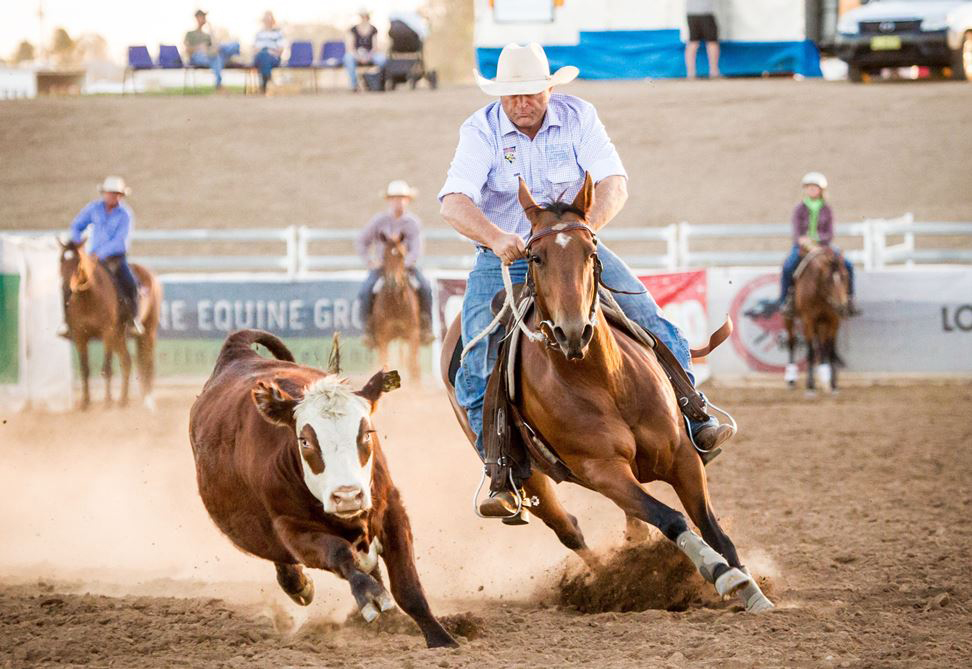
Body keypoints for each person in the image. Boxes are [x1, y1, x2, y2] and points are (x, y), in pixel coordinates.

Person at [438, 43, 734, 513]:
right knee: (473, 360)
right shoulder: (480, 131)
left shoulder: (579, 116)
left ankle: (694, 413)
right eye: (512, 96)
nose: (522, 104)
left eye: (531, 93)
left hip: (575, 244)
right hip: (507, 255)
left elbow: (614, 180)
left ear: (549, 89)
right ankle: (502, 472)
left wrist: (586, 230)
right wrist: (495, 237)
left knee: (648, 315)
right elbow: (454, 200)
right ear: (499, 97)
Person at [59, 176, 142, 337]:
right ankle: (68, 323)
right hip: (92, 259)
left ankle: (133, 319)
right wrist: (77, 242)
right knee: (70, 283)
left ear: (121, 196)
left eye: (117, 194)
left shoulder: (125, 214)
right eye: (110, 193)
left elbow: (121, 241)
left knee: (131, 284)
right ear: (104, 193)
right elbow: (76, 225)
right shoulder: (93, 209)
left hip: (115, 259)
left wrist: (100, 253)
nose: (113, 196)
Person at [356, 180, 434, 344]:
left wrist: (404, 264)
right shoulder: (379, 221)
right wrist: (370, 261)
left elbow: (416, 250)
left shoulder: (413, 223)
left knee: (426, 288)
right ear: (389, 200)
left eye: (402, 198)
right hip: (382, 267)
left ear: (407, 200)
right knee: (365, 290)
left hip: (407, 267)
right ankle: (368, 331)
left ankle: (426, 328)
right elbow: (362, 241)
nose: (398, 201)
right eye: (395, 198)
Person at [778, 172, 857, 315]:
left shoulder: (827, 209)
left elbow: (830, 233)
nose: (812, 190)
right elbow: (796, 231)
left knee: (848, 265)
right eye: (809, 187)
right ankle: (785, 301)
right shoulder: (799, 209)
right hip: (803, 247)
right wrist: (802, 240)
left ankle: (849, 298)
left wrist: (817, 240)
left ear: (821, 190)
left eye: (815, 187)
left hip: (823, 246)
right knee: (788, 266)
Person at [183, 9, 240, 90]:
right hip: (197, 57)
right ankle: (219, 85)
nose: (204, 18)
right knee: (217, 57)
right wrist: (199, 47)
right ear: (197, 18)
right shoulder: (190, 33)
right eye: (203, 16)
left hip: (210, 55)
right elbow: (187, 50)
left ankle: (232, 51)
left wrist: (210, 28)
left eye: (205, 17)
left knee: (230, 46)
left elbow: (214, 46)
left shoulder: (207, 35)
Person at [343, 10, 386, 91]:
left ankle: (377, 83)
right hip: (356, 53)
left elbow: (375, 47)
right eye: (362, 16)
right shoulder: (353, 29)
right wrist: (359, 57)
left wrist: (368, 57)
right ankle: (354, 85)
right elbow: (350, 47)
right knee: (348, 58)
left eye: (365, 16)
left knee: (382, 59)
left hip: (370, 53)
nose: (364, 18)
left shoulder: (373, 29)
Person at [685, 0, 720, 79]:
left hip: (691, 13)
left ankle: (690, 73)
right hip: (705, 13)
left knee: (693, 42)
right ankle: (714, 72)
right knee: (712, 42)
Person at [253, 11, 285, 94]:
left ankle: (264, 84)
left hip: (273, 57)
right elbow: (255, 50)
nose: (267, 21)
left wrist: (270, 52)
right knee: (263, 55)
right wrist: (264, 51)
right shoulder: (259, 33)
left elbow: (280, 50)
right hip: (260, 57)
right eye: (266, 18)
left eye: (269, 18)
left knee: (266, 56)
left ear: (273, 20)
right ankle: (268, 80)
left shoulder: (278, 33)